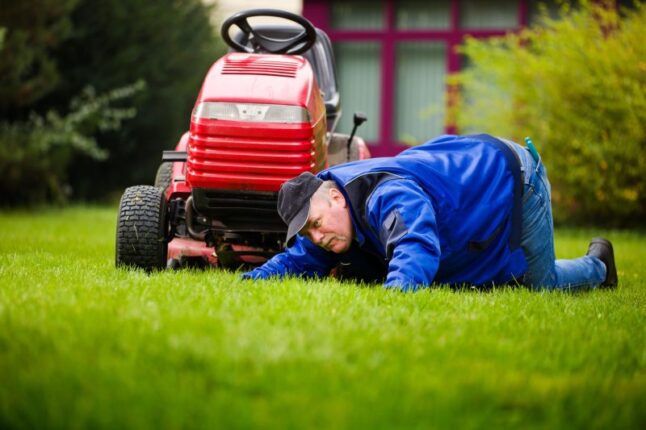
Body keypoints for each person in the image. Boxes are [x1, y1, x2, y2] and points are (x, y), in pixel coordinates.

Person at [242, 134, 618, 291]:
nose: (317, 237)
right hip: (463, 176)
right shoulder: (329, 209)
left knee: (540, 285)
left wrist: (397, 298)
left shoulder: (383, 195)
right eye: (308, 232)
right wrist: (251, 282)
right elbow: (300, 259)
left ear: (337, 199)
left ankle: (599, 266)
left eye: (316, 225)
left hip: (513, 177)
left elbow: (415, 243)